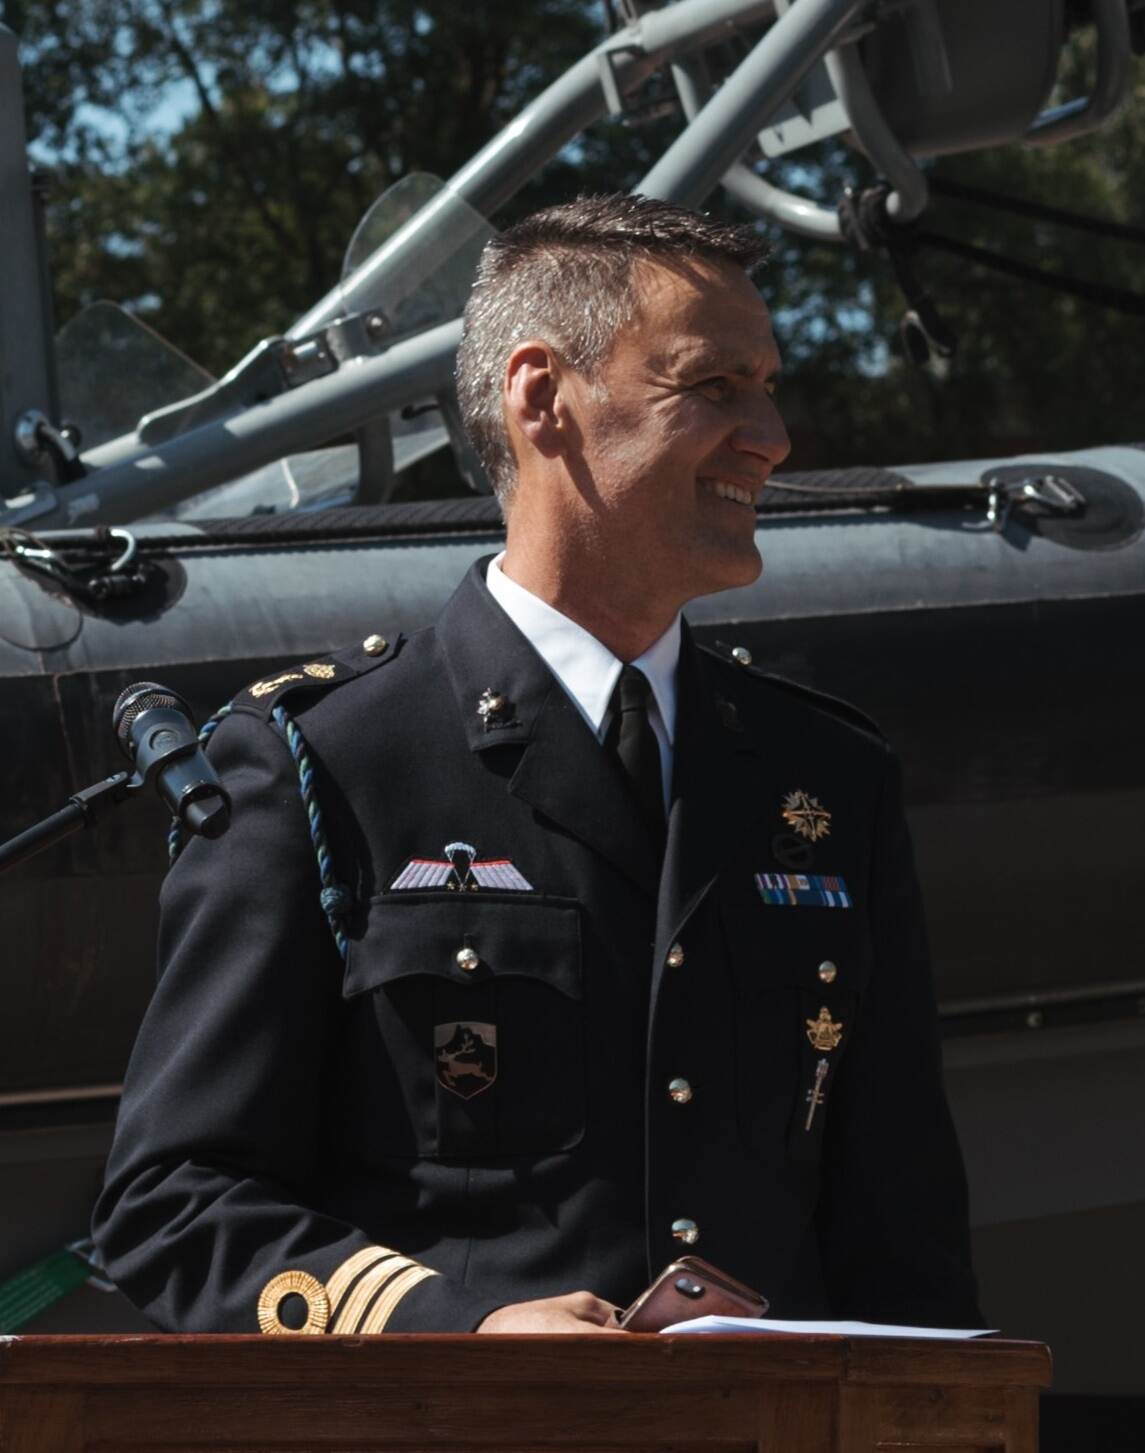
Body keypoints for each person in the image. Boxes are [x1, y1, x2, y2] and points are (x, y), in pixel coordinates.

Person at [93, 193, 982, 1337]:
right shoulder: (323, 762)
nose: (770, 435)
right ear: (540, 396)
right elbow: (173, 1203)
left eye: (765, 386)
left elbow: (902, 1232)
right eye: (713, 385)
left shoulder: (827, 775)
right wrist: (460, 1331)